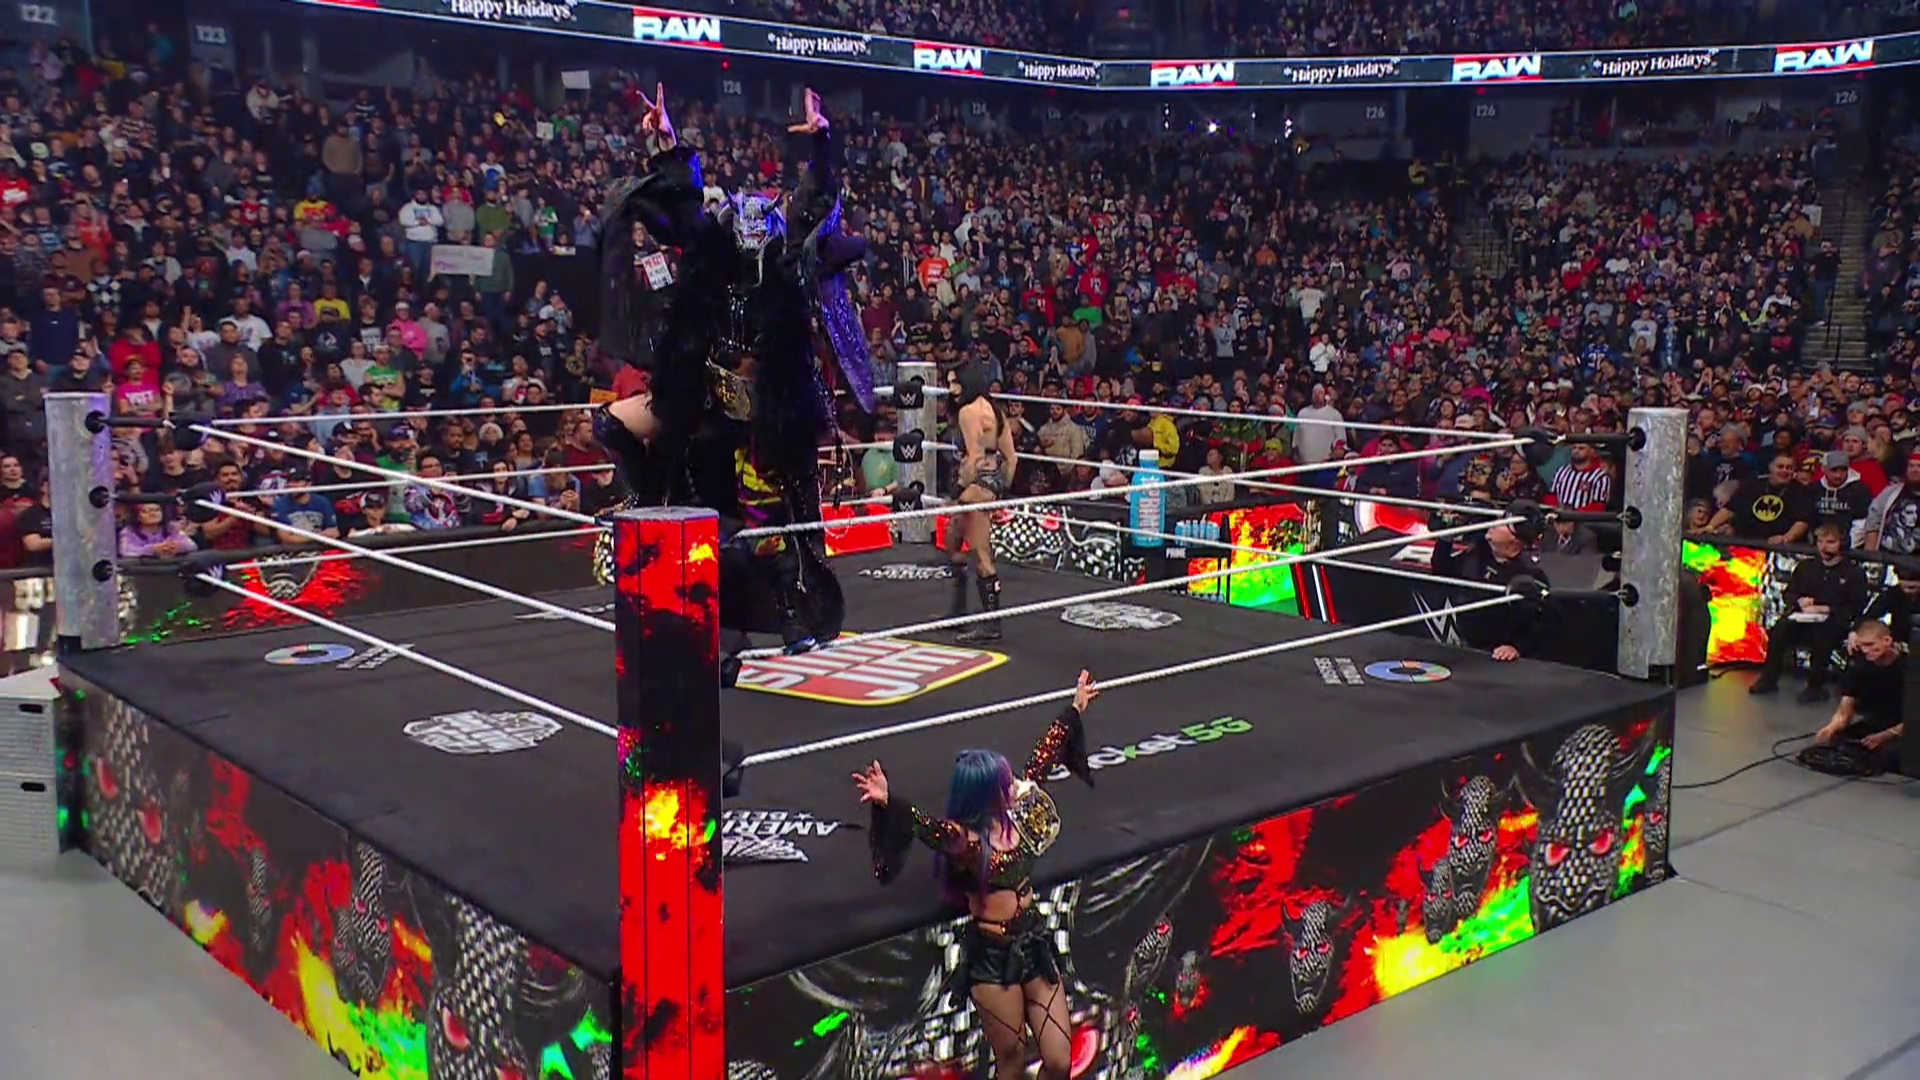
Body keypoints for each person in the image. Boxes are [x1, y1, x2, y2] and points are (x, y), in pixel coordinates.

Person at [593, 85, 867, 652]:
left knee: (775, 521)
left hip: (768, 413)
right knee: (614, 425)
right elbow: (682, 207)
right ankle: (649, 503)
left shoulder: (786, 270)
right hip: (709, 403)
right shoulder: (710, 263)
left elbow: (815, 206)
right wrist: (666, 141)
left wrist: (821, 146)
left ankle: (794, 614)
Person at [857, 670, 1099, 1080]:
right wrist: (887, 800)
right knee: (1011, 1061)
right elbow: (924, 827)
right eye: (1004, 783)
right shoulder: (964, 842)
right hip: (992, 954)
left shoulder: (1019, 812)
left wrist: (1075, 707)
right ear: (986, 793)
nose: (1014, 786)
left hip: (1033, 940)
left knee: (1059, 1058)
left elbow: (1044, 755)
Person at [1750, 523, 1868, 702]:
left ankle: (1815, 686)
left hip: (1833, 621)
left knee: (1824, 633)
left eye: (1830, 542)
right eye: (1820, 541)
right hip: (1804, 618)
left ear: (1842, 543)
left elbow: (1855, 606)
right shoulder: (1806, 567)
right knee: (1780, 629)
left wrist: (1826, 609)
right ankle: (1769, 678)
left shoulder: (1854, 573)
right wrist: (1799, 601)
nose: (1824, 547)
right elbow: (1789, 593)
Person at [946, 359, 1017, 643]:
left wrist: (963, 487)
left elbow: (974, 458)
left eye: (955, 383)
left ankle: (991, 624)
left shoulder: (968, 412)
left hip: (976, 488)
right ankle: (959, 611)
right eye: (949, 383)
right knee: (953, 540)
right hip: (989, 485)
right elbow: (1012, 458)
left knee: (980, 554)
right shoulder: (996, 412)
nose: (951, 389)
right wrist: (999, 491)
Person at [1428, 520, 1549, 662]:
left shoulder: (1529, 573)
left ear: (1515, 540)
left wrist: (1517, 647)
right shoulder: (1477, 555)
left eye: (1505, 524)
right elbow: (1442, 571)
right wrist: (1445, 539)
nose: (1495, 524)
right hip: (1463, 644)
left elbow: (1543, 619)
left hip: (1495, 653)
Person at [1814, 620, 1906, 769]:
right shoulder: (1858, 668)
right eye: (1863, 645)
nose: (1866, 650)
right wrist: (1831, 727)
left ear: (1887, 641)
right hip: (1879, 721)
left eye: (1870, 645)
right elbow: (1845, 711)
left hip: (1905, 725)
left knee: (1890, 753)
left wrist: (1885, 736)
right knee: (1838, 741)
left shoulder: (1907, 666)